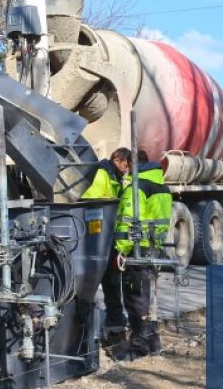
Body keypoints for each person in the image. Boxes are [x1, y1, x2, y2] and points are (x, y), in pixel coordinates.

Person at [113, 149, 173, 360]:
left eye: (128, 165)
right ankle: (153, 343)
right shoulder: (162, 186)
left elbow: (128, 222)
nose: (126, 169)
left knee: (135, 301)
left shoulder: (136, 188)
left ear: (131, 164)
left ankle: (138, 349)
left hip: (137, 251)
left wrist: (121, 249)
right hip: (154, 247)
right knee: (148, 300)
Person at [82, 148, 130, 347]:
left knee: (112, 281)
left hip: (106, 236)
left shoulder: (114, 176)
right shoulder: (104, 174)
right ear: (116, 159)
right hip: (99, 237)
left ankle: (114, 322)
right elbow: (91, 198)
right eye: (125, 165)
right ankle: (93, 322)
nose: (127, 169)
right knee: (105, 281)